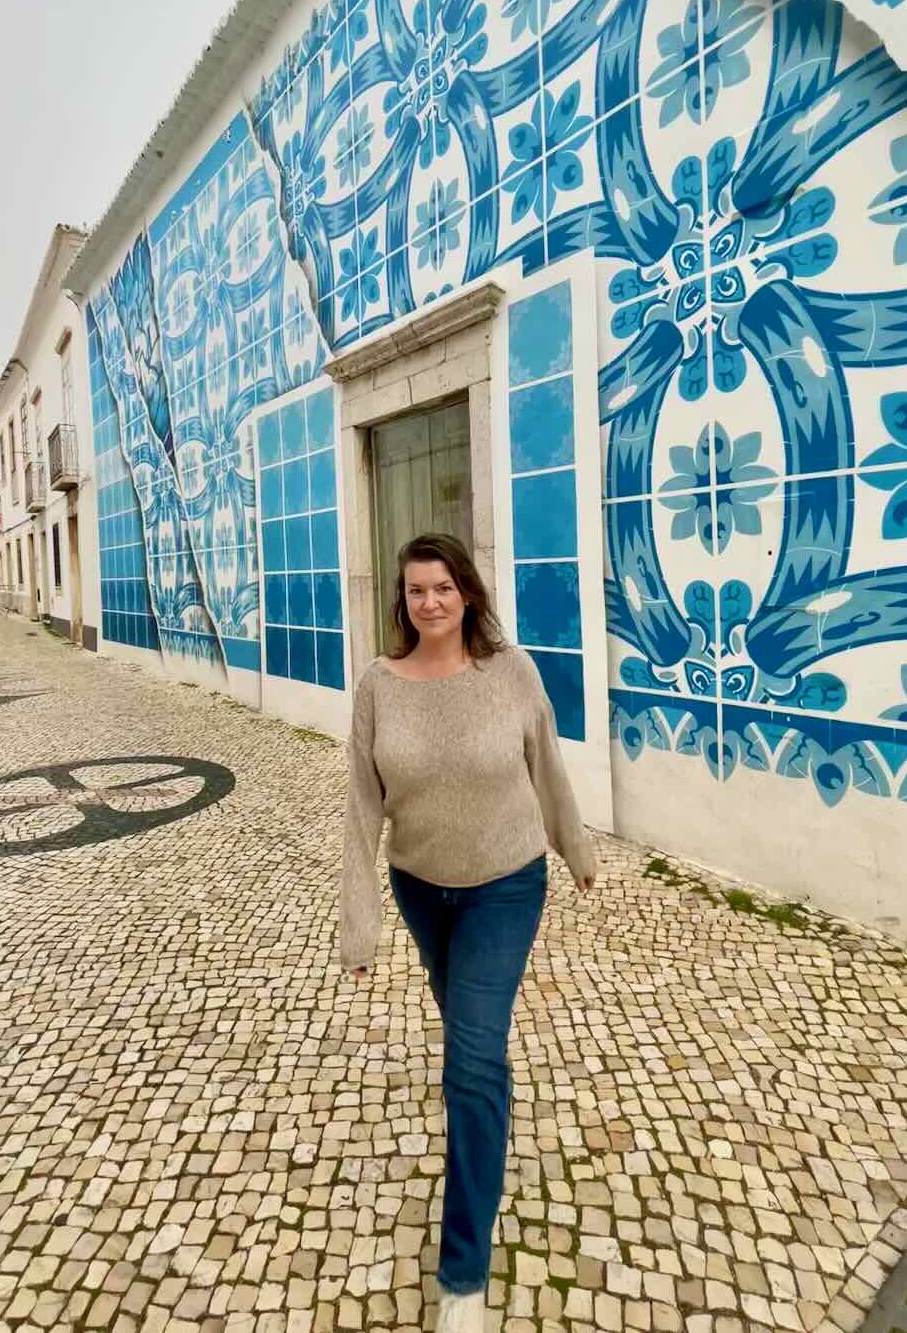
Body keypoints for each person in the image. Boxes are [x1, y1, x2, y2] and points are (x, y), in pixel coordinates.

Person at [339, 532, 597, 1333]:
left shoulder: (509, 673)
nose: (430, 602)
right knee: (473, 1047)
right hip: (423, 890)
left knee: (469, 1059)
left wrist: (576, 847)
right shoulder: (378, 685)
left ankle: (462, 1275)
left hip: (506, 886)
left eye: (443, 587)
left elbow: (546, 764)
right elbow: (360, 806)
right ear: (402, 601)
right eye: (416, 590)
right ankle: (489, 1117)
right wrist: (360, 920)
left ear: (468, 592)